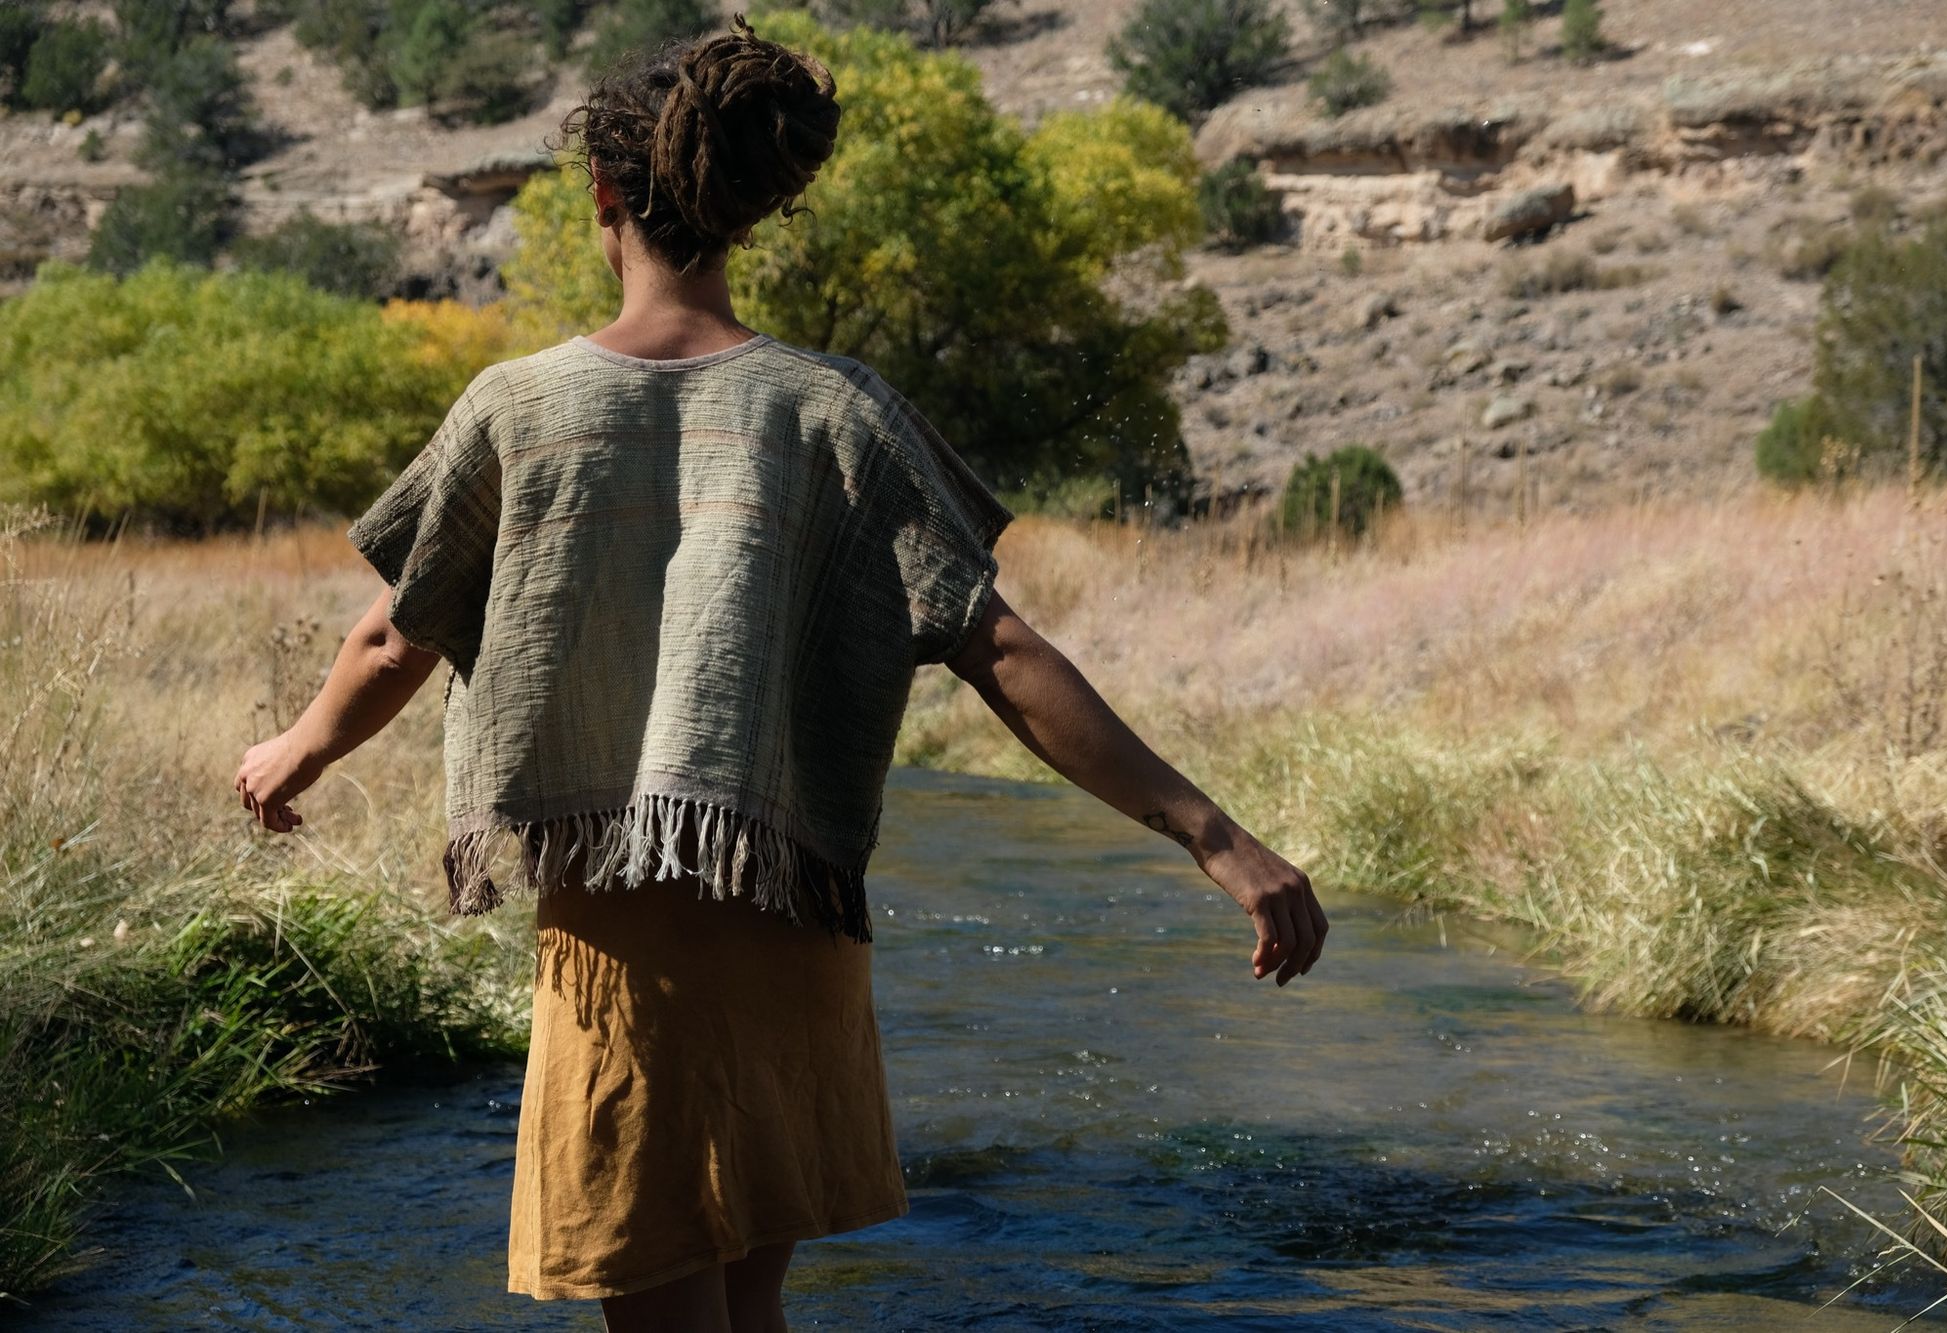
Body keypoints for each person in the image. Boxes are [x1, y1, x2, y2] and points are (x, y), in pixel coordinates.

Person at [233, 13, 1326, 1331]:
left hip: (625, 943)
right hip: (792, 926)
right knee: (749, 1314)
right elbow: (1003, 649)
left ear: (603, 199)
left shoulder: (517, 411)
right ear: (748, 213)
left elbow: (395, 635)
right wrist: (1219, 840)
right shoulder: (838, 411)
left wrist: (296, 748)